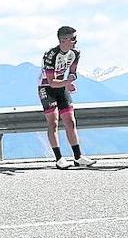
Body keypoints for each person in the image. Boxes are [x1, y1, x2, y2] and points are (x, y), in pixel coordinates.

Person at [38, 26, 96, 168]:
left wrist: (70, 81)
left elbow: (73, 72)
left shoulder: (75, 53)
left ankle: (78, 157)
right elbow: (51, 82)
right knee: (54, 122)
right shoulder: (50, 55)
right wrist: (67, 83)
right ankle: (59, 158)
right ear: (63, 40)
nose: (76, 41)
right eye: (73, 39)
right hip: (46, 87)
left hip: (61, 86)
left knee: (70, 121)